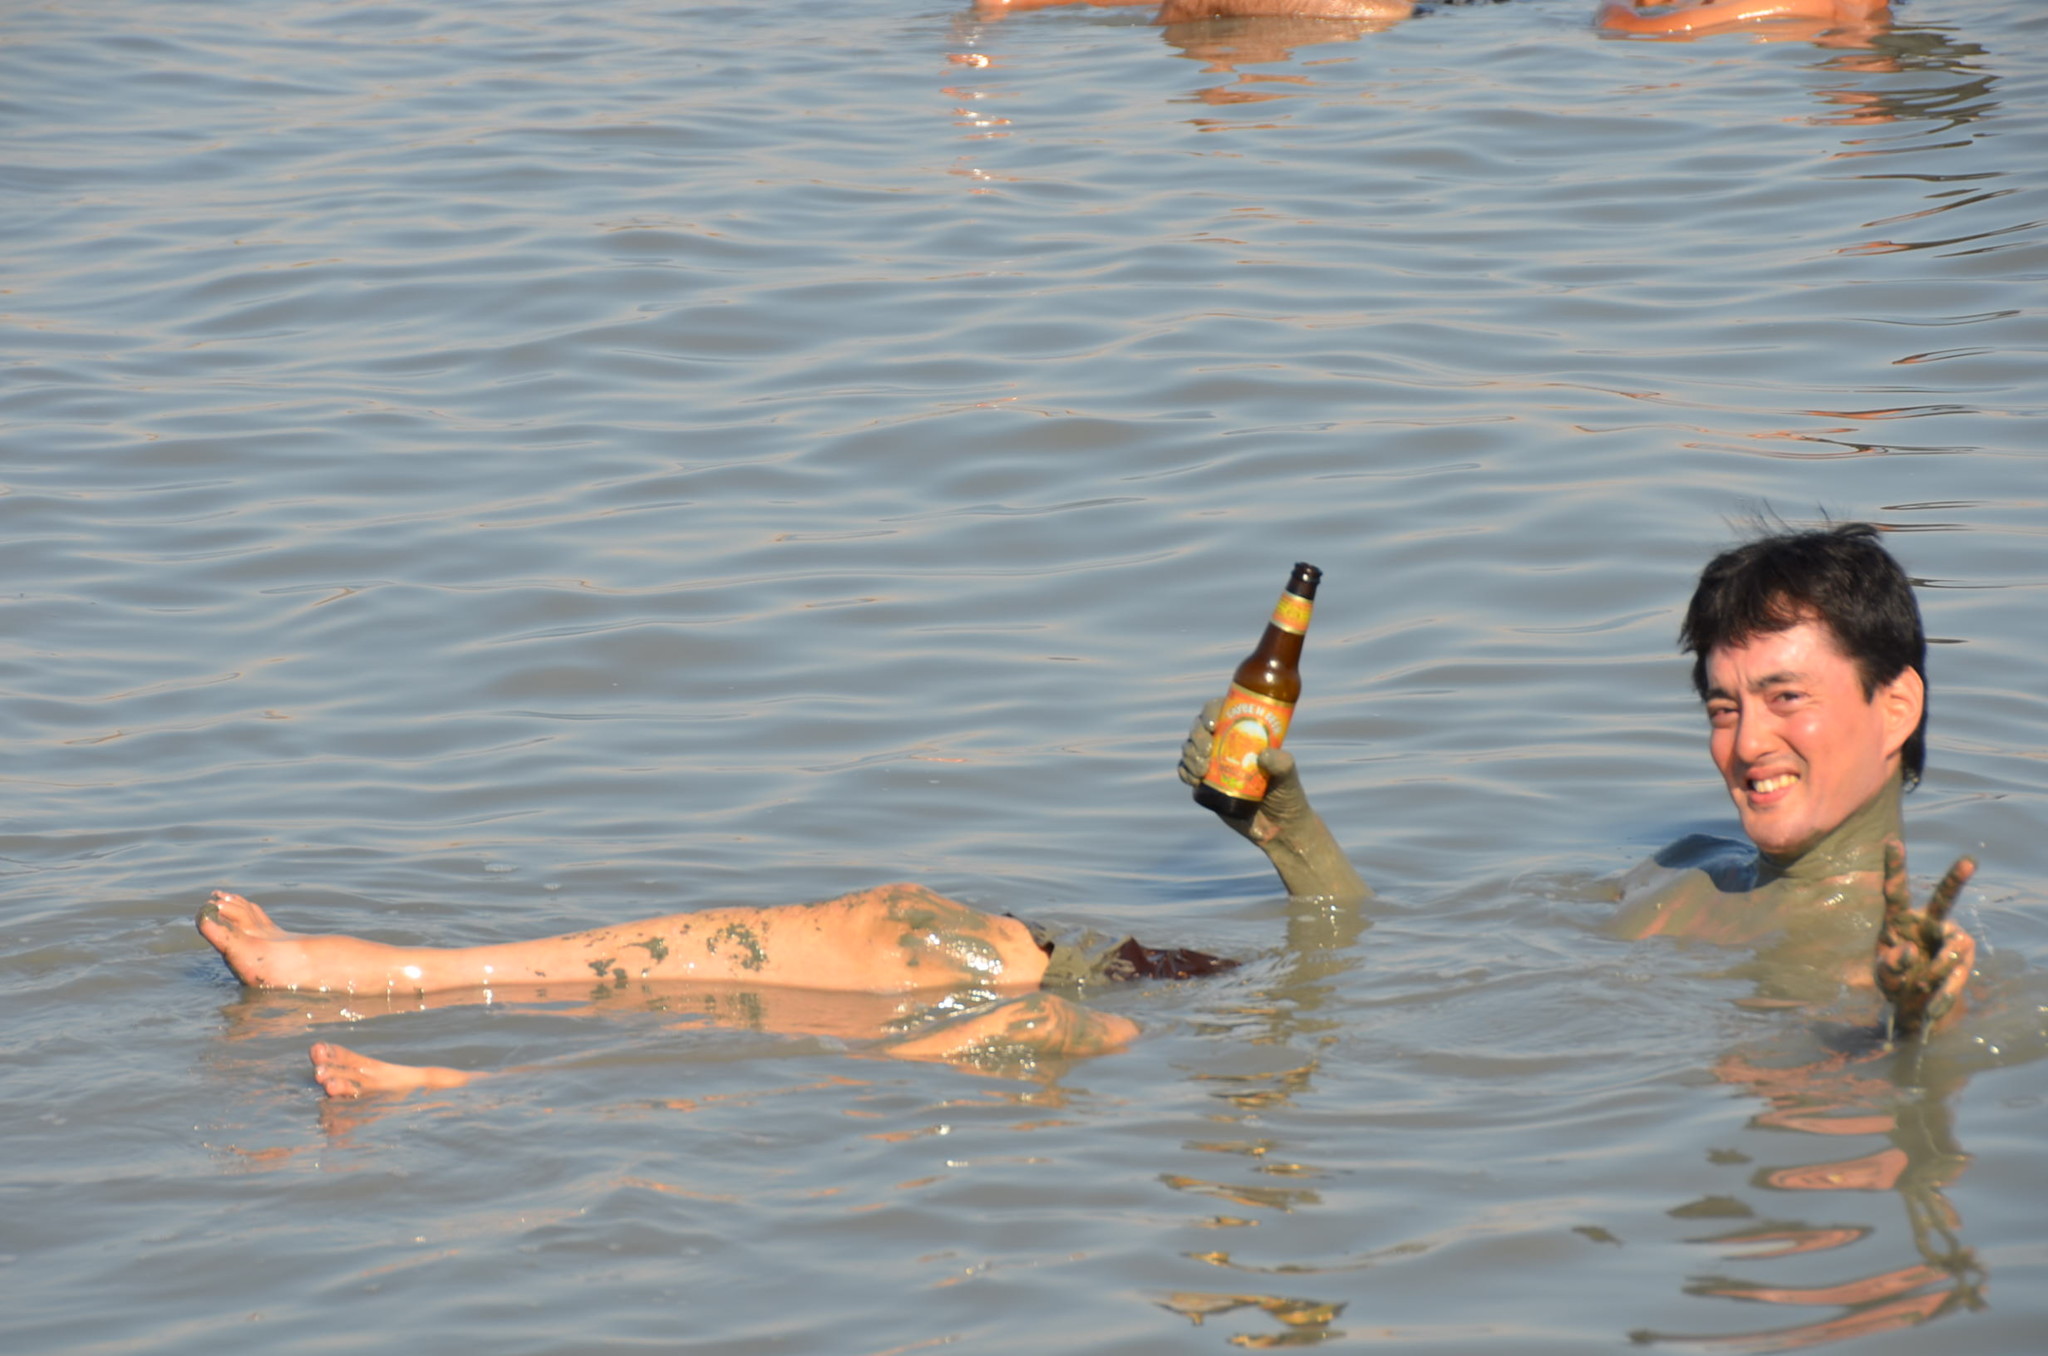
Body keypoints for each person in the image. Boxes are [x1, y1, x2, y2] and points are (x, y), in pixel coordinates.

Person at [1179, 523, 1978, 1040]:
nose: (1748, 742)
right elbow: (1390, 966)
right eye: (1724, 708)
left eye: (1786, 699)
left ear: (1897, 706)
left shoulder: (1885, 959)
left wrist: (1909, 1033)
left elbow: (1893, 1119)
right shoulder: (1682, 867)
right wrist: (1290, 833)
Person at [198, 880, 1232, 1097]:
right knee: (901, 931)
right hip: (1094, 976)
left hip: (1140, 1001)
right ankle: (390, 982)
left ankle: (449, 1075)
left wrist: (1280, 814)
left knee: (1014, 991)